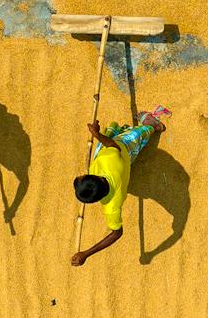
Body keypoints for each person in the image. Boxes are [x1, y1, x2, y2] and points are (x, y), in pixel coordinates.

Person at [70, 106, 169, 266]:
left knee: (111, 138)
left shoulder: (111, 207)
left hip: (117, 164)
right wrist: (97, 134)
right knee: (135, 136)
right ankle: (153, 126)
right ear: (96, 176)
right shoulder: (111, 162)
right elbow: (113, 146)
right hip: (124, 149)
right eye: (82, 177)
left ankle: (125, 129)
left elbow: (116, 233)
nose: (79, 176)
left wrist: (86, 254)